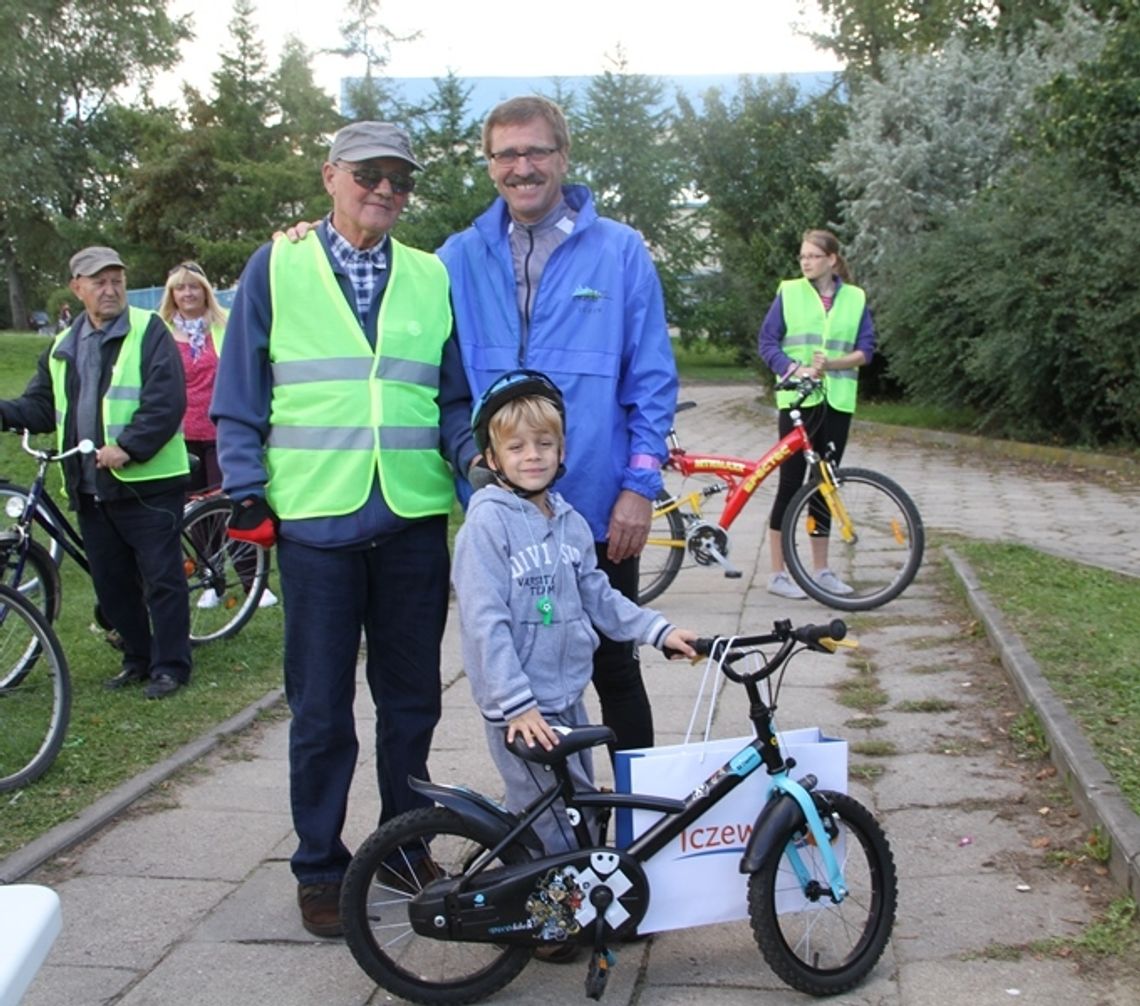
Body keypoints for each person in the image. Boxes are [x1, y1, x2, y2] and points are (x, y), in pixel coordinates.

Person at [211, 121, 479, 939]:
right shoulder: (278, 263)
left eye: (400, 179)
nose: (386, 191)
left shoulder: (431, 276)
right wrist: (247, 488)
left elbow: (453, 396)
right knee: (321, 709)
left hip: (409, 518)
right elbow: (240, 387)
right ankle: (321, 866)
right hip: (315, 521)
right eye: (369, 174)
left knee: (411, 703)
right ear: (330, 176)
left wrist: (479, 468)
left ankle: (403, 847)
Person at [438, 95, 679, 758]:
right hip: (503, 517)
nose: (523, 166)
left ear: (563, 156)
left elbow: (652, 381)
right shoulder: (456, 258)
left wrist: (639, 487)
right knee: (524, 673)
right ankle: (558, 825)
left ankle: (634, 830)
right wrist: (470, 468)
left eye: (536, 151)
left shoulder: (621, 252)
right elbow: (445, 388)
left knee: (615, 667)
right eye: (507, 154)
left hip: (600, 506)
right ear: (489, 166)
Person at [452, 371, 696, 959]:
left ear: (562, 452)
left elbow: (601, 597)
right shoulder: (487, 523)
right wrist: (516, 706)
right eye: (516, 446)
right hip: (522, 709)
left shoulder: (565, 519)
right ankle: (549, 925)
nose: (531, 456)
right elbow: (485, 624)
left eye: (543, 444)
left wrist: (659, 630)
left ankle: (552, 897)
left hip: (565, 696)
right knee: (555, 823)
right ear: (492, 456)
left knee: (572, 807)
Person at [0, 246, 192, 699]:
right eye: (99, 282)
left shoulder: (149, 331)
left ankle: (172, 666)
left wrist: (128, 447)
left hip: (147, 483)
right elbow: (43, 407)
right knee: (111, 582)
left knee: (163, 578)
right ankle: (139, 658)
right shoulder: (64, 343)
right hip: (89, 485)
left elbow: (166, 402)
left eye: (116, 281)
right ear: (77, 288)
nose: (110, 290)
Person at [757, 228, 877, 600]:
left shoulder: (855, 298)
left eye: (812, 256)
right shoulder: (789, 293)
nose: (806, 262)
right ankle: (778, 574)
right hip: (798, 402)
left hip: (837, 401)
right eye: (802, 256)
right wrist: (795, 369)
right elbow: (767, 343)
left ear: (832, 260)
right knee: (790, 484)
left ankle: (821, 569)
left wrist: (835, 363)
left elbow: (867, 349)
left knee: (825, 483)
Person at [158, 261, 277, 609]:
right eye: (180, 288)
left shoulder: (225, 325)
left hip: (221, 431)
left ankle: (252, 579)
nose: (188, 293)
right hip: (182, 435)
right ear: (172, 295)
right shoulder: (162, 332)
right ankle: (212, 580)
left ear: (205, 291)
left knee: (232, 504)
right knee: (196, 513)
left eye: (194, 286)